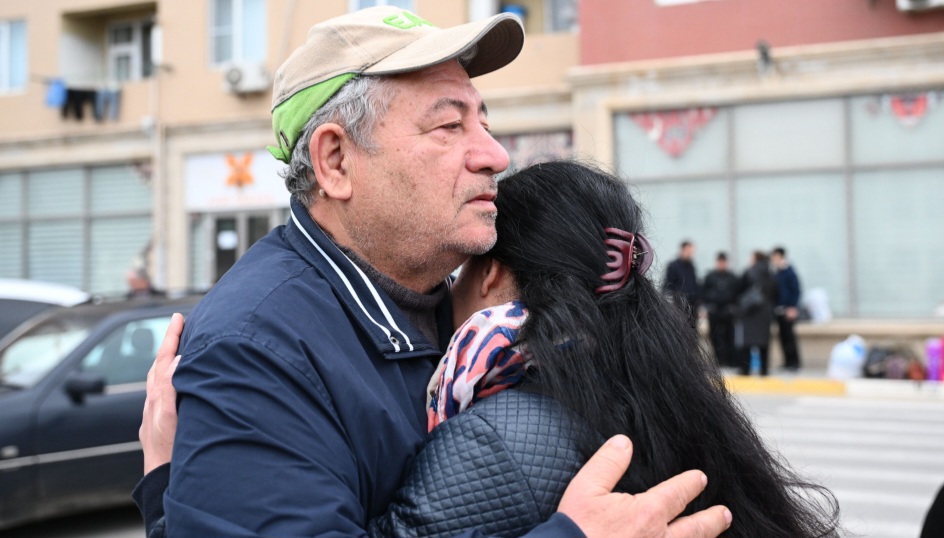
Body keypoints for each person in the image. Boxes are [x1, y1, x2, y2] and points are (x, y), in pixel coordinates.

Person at [133, 7, 732, 538]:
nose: (495, 155)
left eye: (484, 123)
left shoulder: (467, 319)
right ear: (336, 161)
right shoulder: (258, 348)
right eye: (450, 126)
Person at [139, 161, 839, 538]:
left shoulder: (499, 433)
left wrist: (165, 481)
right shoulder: (626, 379)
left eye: (461, 267)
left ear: (495, 276)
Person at [733, 251, 777, 376]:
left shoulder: (749, 272)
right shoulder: (771, 274)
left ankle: (745, 368)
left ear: (755, 259)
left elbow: (738, 290)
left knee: (746, 342)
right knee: (764, 343)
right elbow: (775, 293)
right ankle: (764, 369)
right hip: (765, 313)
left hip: (749, 312)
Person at [701, 252, 738, 367]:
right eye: (720, 262)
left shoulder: (732, 277)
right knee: (715, 336)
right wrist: (707, 307)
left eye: (723, 262)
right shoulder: (710, 277)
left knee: (729, 336)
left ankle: (730, 360)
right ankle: (718, 360)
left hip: (728, 311)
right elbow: (703, 293)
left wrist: (733, 308)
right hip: (714, 311)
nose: (722, 264)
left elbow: (737, 293)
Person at [770, 246, 802, 371]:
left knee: (790, 337)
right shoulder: (777, 272)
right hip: (779, 310)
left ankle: (794, 362)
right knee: (783, 337)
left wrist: (792, 307)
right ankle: (787, 361)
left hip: (788, 310)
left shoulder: (789, 271)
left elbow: (795, 290)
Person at [663, 240, 700, 330]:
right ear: (682, 250)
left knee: (693, 330)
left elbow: (694, 284)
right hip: (679, 305)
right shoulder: (673, 266)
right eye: (688, 251)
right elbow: (667, 286)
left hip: (693, 306)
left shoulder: (691, 266)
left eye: (691, 252)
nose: (690, 254)